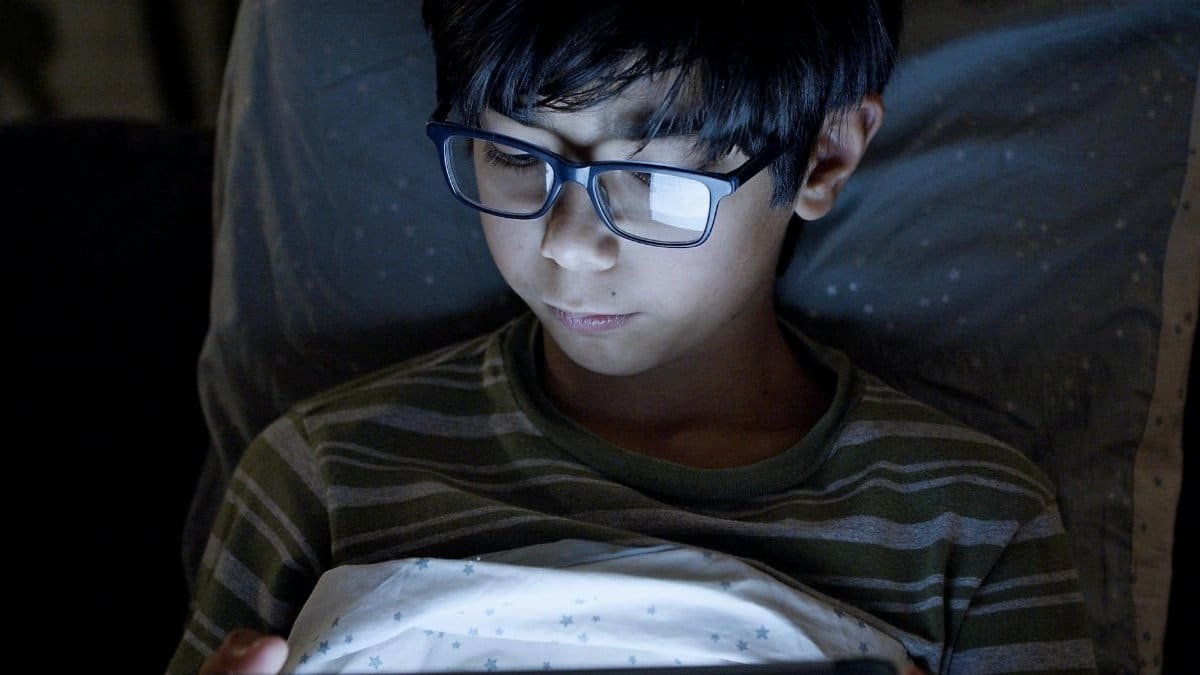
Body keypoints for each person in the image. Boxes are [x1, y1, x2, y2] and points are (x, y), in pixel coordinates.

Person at [168, 1, 1098, 673]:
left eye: (653, 178)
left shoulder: (969, 522)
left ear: (825, 154)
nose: (569, 246)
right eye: (512, 155)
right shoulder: (325, 473)